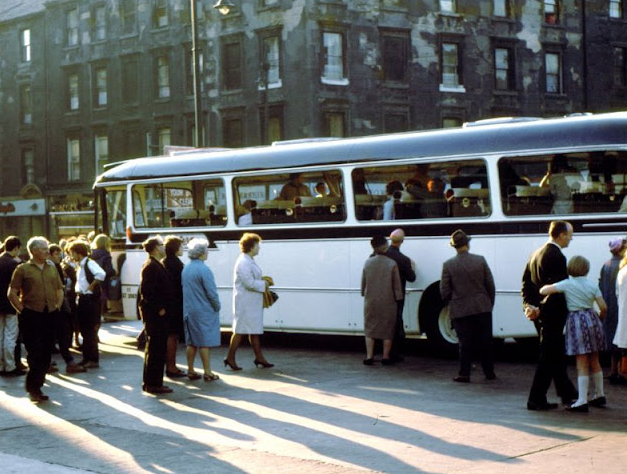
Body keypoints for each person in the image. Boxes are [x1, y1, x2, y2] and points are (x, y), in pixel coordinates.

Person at [522, 220, 578, 410]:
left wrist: (530, 307)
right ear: (561, 234)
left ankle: (567, 392)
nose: (571, 239)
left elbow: (526, 284)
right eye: (569, 235)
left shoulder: (535, 253)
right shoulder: (557, 256)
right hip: (552, 315)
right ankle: (536, 398)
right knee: (548, 356)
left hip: (539, 314)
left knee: (554, 354)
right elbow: (558, 290)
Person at [540, 256, 607, 412]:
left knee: (581, 362)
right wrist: (599, 319)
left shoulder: (567, 284)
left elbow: (543, 290)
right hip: (592, 319)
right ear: (586, 268)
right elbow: (603, 307)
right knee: (595, 359)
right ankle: (600, 394)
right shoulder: (592, 285)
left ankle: (582, 400)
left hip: (576, 321)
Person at [8, 237, 64, 402]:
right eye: (44, 248)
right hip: (31, 315)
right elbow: (12, 293)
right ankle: (34, 388)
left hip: (50, 313)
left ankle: (37, 384)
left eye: (47, 248)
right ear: (33, 251)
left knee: (47, 353)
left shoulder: (52, 267)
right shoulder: (22, 269)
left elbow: (59, 289)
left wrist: (58, 307)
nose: (48, 251)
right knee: (35, 352)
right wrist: (22, 310)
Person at [440, 230, 496, 382]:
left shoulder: (448, 265)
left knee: (464, 343)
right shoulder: (480, 260)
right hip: (482, 306)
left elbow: (444, 291)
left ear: (454, 247)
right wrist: (488, 303)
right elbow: (490, 285)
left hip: (460, 309)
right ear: (467, 244)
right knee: (486, 341)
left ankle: (464, 374)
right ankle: (489, 372)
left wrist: (453, 302)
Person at [224, 233, 274, 370]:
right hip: (245, 303)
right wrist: (264, 283)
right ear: (251, 247)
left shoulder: (248, 259)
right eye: (258, 245)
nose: (259, 248)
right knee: (240, 330)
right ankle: (230, 357)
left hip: (250, 302)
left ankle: (259, 357)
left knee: (254, 330)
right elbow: (248, 283)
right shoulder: (244, 262)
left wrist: (262, 281)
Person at [138, 236, 175, 394]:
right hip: (156, 316)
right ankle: (153, 383)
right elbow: (147, 292)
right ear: (154, 248)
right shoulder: (151, 266)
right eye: (161, 245)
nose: (164, 247)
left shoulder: (155, 264)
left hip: (159, 315)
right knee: (155, 349)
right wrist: (159, 308)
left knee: (157, 349)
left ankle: (153, 382)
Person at [182, 238, 221, 381]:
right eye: (206, 250)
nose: (208, 253)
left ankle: (191, 370)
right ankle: (208, 372)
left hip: (188, 310)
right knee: (204, 342)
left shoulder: (186, 268)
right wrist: (217, 306)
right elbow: (211, 292)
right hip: (203, 310)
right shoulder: (204, 269)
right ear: (201, 253)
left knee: (191, 341)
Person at [361, 235, 403, 365]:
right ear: (385, 247)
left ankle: (369, 356)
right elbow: (397, 286)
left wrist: (364, 293)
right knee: (387, 330)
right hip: (388, 301)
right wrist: (399, 299)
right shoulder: (391, 264)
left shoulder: (368, 262)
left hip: (371, 301)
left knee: (370, 329)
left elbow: (363, 283)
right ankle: (385, 357)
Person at [67, 240, 105, 369]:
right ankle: (86, 358)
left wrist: (91, 287)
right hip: (82, 299)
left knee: (89, 331)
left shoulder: (89, 263)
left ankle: (92, 359)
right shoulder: (81, 265)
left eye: (72, 253)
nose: (71, 256)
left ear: (78, 253)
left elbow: (101, 274)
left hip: (89, 300)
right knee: (84, 330)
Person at [49, 244, 86, 374]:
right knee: (59, 333)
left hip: (59, 305)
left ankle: (66, 362)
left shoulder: (56, 266)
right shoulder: (50, 267)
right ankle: (69, 362)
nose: (60, 256)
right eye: (57, 254)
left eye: (60, 254)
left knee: (57, 334)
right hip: (56, 306)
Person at [384, 229, 416, 362]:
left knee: (384, 322)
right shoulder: (403, 259)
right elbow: (411, 278)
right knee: (397, 322)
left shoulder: (380, 256)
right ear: (402, 241)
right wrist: (412, 267)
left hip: (382, 294)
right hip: (397, 295)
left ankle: (383, 351)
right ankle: (395, 352)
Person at [599, 237, 627, 385]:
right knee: (622, 341)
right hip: (620, 307)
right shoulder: (621, 266)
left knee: (612, 338)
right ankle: (621, 372)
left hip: (608, 306)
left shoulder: (606, 265)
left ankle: (613, 371)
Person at [161, 236, 186, 378]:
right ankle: (171, 367)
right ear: (176, 249)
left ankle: (171, 366)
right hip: (175, 304)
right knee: (173, 336)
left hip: (169, 303)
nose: (183, 249)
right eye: (181, 247)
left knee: (170, 336)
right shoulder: (176, 264)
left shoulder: (164, 262)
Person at [0, 236, 24, 377]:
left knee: (0, 335)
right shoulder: (14, 264)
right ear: (15, 248)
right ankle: (10, 366)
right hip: (10, 304)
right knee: (10, 336)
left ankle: (1, 365)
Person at [90, 234, 115, 318]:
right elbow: (109, 270)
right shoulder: (106, 255)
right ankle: (102, 314)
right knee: (103, 297)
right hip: (103, 281)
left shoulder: (91, 254)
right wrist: (115, 273)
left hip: (93, 279)